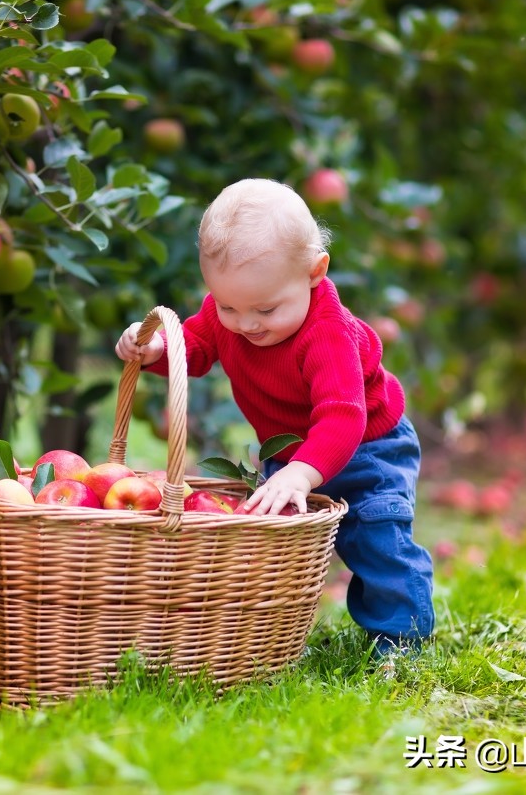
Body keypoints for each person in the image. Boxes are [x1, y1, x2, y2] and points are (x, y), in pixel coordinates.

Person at [114, 178, 434, 656]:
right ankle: (271, 631)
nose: (246, 323)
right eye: (228, 306)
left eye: (265, 308)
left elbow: (342, 416)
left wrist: (302, 474)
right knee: (275, 541)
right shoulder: (233, 314)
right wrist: (157, 349)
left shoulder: (327, 333)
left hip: (368, 447)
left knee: (375, 535)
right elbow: (197, 345)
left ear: (314, 272)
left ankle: (401, 639)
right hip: (292, 454)